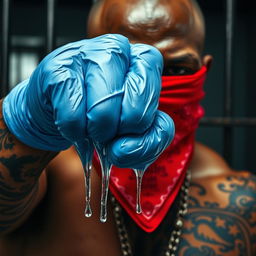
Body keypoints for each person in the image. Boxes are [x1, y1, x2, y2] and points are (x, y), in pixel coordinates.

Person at [0, 0, 255, 256]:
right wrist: (24, 125)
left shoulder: (239, 199)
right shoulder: (50, 177)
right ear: (91, 68)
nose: (148, 90)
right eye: (124, 67)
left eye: (176, 69)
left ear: (203, 70)